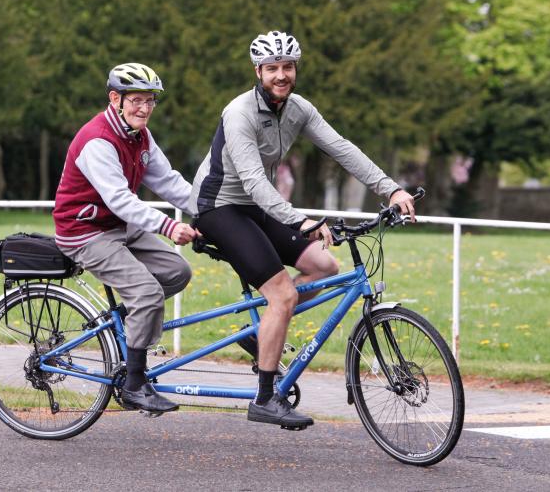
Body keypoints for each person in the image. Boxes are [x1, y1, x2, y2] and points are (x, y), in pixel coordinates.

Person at [189, 31, 416, 429]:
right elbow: (254, 181)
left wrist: (391, 188)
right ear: (258, 71)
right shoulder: (239, 112)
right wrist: (299, 219)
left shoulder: (298, 109)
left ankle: (259, 337)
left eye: (288, 67)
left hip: (260, 206)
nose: (281, 75)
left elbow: (342, 148)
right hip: (219, 207)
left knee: (325, 266)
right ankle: (264, 399)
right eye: (272, 68)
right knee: (282, 293)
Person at [54, 63, 197, 414]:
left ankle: (132, 320)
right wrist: (167, 227)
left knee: (178, 271)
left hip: (119, 227)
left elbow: (170, 182)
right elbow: (120, 198)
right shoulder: (97, 140)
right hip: (85, 232)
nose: (145, 109)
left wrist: (212, 213)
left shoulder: (140, 136)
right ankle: (134, 385)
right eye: (137, 100)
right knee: (147, 292)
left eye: (150, 101)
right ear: (115, 98)